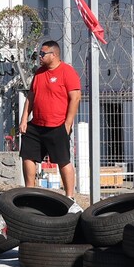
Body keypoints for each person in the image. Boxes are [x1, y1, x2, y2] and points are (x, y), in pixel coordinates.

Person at [17, 40, 82, 207]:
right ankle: (29, 193)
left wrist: (68, 124)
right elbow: (31, 97)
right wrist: (24, 119)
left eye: (42, 54)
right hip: (36, 124)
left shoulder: (67, 72)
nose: (39, 56)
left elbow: (75, 98)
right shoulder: (39, 73)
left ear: (53, 55)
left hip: (57, 125)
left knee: (63, 160)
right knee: (28, 156)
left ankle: (70, 197)